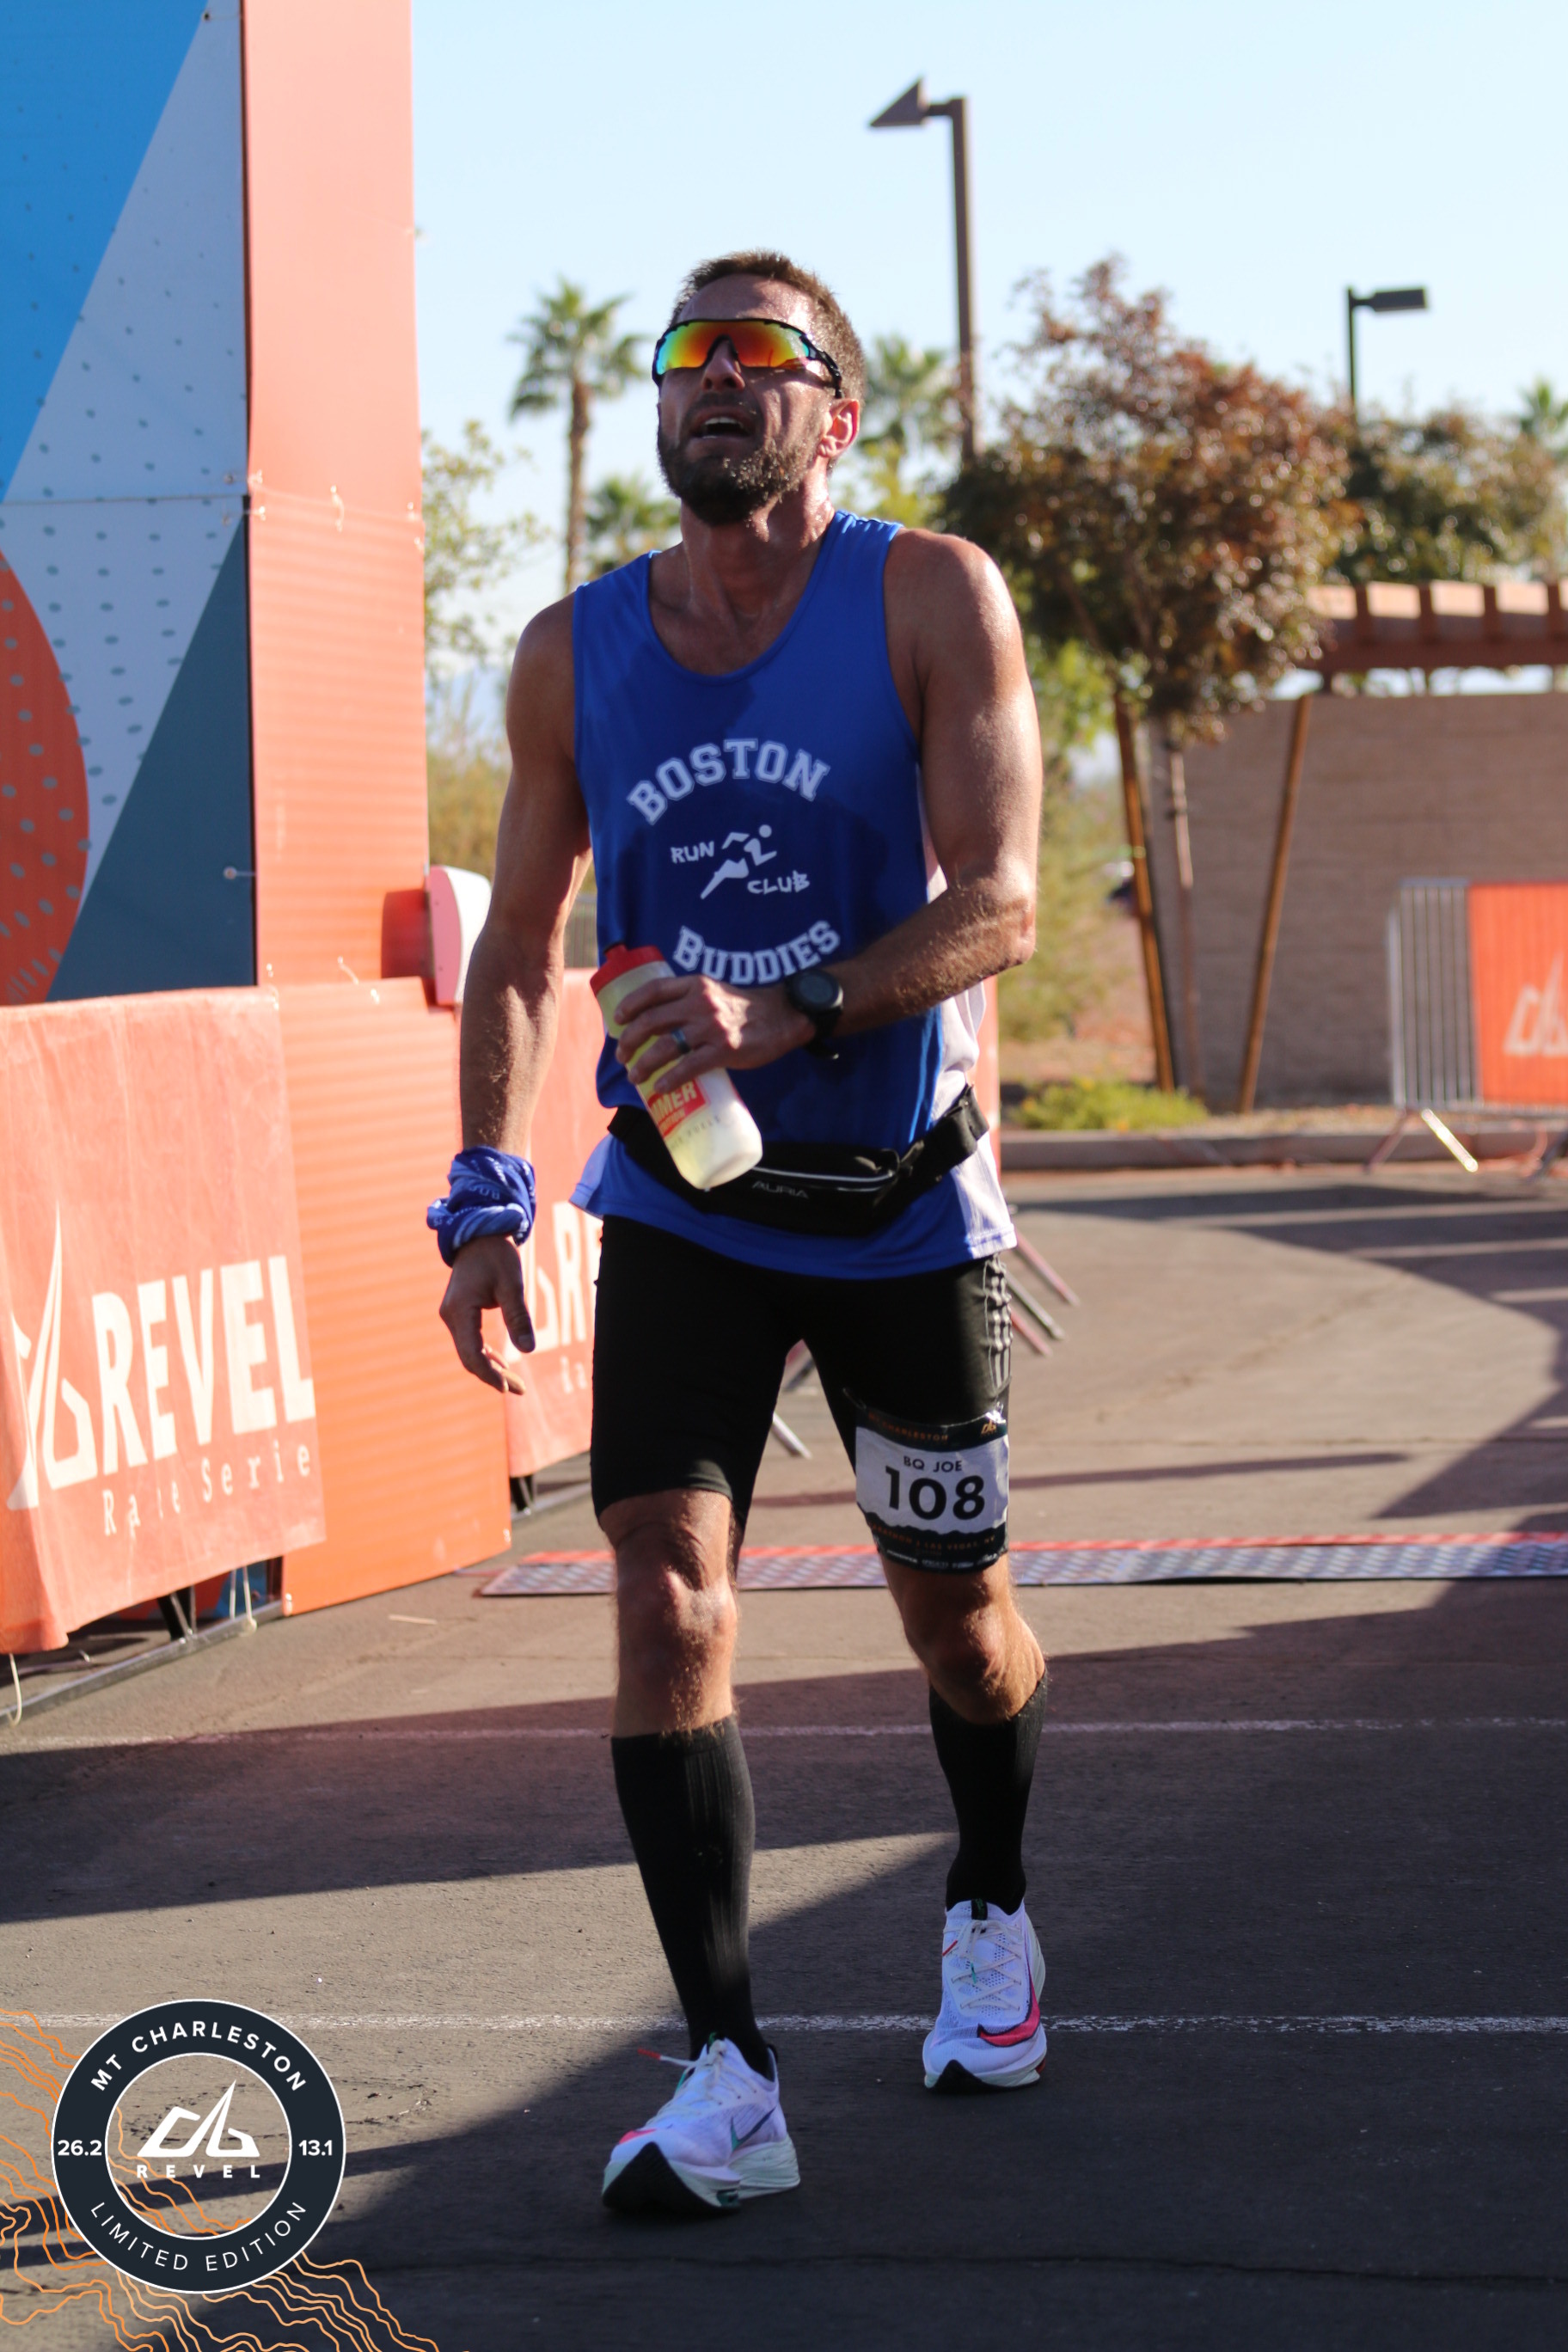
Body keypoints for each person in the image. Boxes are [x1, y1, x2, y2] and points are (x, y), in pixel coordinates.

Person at [432, 250, 1048, 2218]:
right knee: (666, 1592)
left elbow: (1006, 899)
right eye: (682, 353)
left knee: (960, 1630)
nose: (710, 378)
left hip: (898, 1198)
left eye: (757, 353)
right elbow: (518, 951)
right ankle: (730, 2072)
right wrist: (486, 1194)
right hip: (688, 1203)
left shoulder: (928, 594)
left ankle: (990, 1900)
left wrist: (794, 1012)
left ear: (835, 413)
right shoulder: (573, 651)